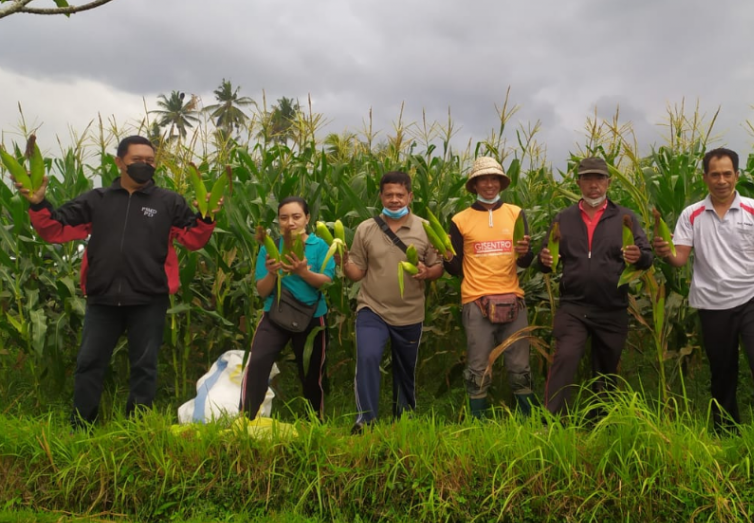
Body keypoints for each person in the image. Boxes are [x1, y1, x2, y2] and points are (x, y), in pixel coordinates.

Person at [19, 135, 217, 428]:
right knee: (89, 364)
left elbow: (193, 239)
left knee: (144, 367)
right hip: (103, 297)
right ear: (119, 162)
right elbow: (55, 229)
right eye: (138, 160)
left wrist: (206, 216)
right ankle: (81, 426)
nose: (145, 165)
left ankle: (137, 427)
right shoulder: (96, 200)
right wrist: (38, 204)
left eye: (150, 161)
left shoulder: (169, 202)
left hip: (149, 298)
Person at [653, 147, 754, 437]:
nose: (721, 180)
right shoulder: (691, 215)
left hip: (753, 297)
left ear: (737, 176)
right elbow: (680, 259)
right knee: (722, 373)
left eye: (727, 174)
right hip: (712, 303)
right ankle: (726, 435)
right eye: (715, 174)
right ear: (705, 178)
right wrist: (666, 253)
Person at [539, 156, 654, 420]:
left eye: (599, 178)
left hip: (611, 306)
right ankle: (552, 422)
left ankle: (599, 422)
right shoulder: (564, 218)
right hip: (574, 306)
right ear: (578, 182)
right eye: (588, 178)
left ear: (608, 182)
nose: (594, 184)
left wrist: (639, 256)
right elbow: (546, 261)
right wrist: (544, 260)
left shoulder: (625, 217)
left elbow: (646, 256)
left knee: (606, 369)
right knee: (565, 358)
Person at [342, 171, 443, 434]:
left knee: (405, 369)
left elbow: (437, 268)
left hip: (410, 312)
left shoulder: (425, 229)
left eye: (400, 195)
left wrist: (426, 272)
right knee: (367, 356)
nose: (395, 200)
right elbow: (357, 273)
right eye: (389, 195)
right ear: (381, 197)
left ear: (410, 196)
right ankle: (366, 421)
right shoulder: (366, 228)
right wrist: (343, 263)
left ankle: (404, 421)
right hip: (372, 308)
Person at [444, 156, 534, 418]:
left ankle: (528, 419)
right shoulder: (460, 220)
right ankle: (478, 422)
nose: (489, 184)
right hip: (476, 300)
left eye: (494, 178)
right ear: (474, 184)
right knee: (478, 366)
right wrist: (445, 255)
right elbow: (454, 268)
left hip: (513, 299)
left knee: (520, 365)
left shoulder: (516, 213)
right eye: (483, 179)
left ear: (501, 183)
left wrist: (526, 252)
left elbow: (525, 260)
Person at [239, 196, 334, 421]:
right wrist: (272, 272)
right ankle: (246, 419)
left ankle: (315, 422)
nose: (290, 222)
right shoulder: (271, 248)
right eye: (284, 218)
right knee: (258, 362)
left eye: (296, 217)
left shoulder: (319, 246)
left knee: (311, 373)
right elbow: (262, 291)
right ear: (278, 221)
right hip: (275, 312)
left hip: (311, 316)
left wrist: (304, 272)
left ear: (307, 218)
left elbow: (328, 282)